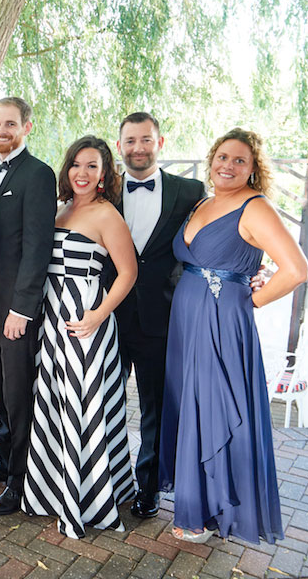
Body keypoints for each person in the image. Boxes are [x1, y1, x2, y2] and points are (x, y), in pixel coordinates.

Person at [159, 128, 308, 543]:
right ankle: (198, 501)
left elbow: (296, 269)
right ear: (212, 160)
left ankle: (208, 510)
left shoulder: (255, 207)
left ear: (253, 169)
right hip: (186, 318)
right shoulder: (203, 202)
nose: (228, 165)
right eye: (223, 157)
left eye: (240, 160)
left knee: (213, 407)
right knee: (191, 405)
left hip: (222, 319)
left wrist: (251, 301)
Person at [21, 135, 137, 538]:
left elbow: (128, 273)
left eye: (92, 166)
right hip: (52, 319)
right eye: (76, 164)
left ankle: (88, 498)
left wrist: (98, 316)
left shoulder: (106, 214)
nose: (82, 173)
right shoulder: (59, 209)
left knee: (83, 405)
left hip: (85, 321)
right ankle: (55, 491)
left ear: (104, 174)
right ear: (66, 168)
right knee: (56, 402)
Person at [105, 112, 207, 519]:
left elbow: (210, 239)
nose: (138, 148)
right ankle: (107, 482)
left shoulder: (189, 191)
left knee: (156, 408)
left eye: (145, 140)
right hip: (107, 316)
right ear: (119, 147)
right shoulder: (103, 188)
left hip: (162, 317)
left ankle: (148, 488)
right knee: (105, 402)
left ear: (159, 143)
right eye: (130, 141)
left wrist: (249, 272)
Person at [0, 97, 57, 516]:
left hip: (16, 312)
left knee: (19, 394)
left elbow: (37, 248)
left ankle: (20, 481)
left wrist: (22, 310)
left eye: (10, 123)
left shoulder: (38, 174)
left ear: (27, 127)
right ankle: (4, 460)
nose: (1, 131)